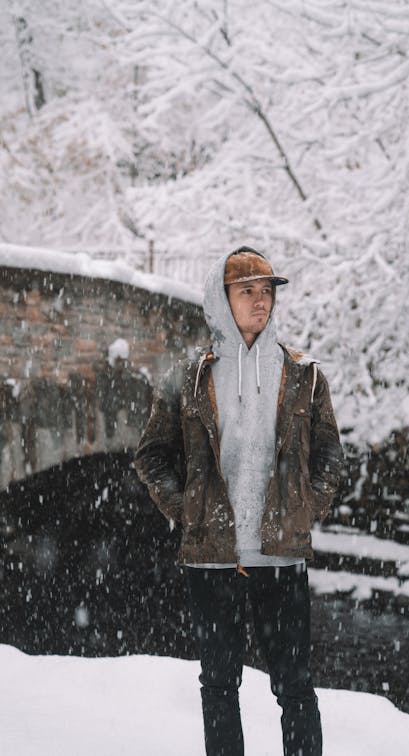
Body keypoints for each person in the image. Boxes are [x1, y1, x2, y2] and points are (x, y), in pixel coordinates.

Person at [134, 246, 344, 756]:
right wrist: (188, 512)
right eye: (247, 290)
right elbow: (151, 456)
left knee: (295, 686)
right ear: (220, 298)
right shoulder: (191, 377)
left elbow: (331, 458)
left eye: (267, 291)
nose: (260, 301)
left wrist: (303, 510)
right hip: (213, 558)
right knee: (219, 686)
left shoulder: (304, 375)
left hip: (281, 555)